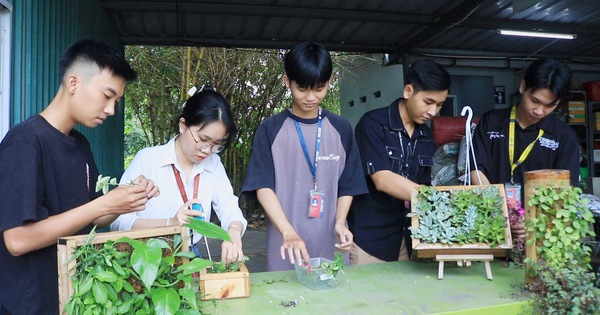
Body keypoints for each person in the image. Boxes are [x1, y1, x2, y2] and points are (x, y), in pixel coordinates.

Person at [0, 39, 159, 314]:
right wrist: (103, 205)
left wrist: (127, 197)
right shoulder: (25, 142)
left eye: (117, 101)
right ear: (74, 83)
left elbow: (95, 214)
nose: (111, 109)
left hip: (73, 298)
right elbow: (17, 240)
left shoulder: (80, 144)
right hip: (32, 304)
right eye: (107, 96)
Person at [242, 42, 367, 271]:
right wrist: (287, 232)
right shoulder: (270, 129)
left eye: (319, 88)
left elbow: (348, 185)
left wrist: (340, 222)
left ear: (329, 83)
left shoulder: (341, 128)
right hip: (285, 244)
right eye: (302, 88)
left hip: (332, 241)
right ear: (287, 81)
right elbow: (262, 185)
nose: (310, 97)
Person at [111, 86, 247, 263]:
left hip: (191, 255)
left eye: (216, 144)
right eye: (203, 140)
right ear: (183, 126)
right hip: (147, 256)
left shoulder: (213, 163)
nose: (207, 150)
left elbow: (229, 207)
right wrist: (170, 224)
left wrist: (234, 233)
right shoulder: (148, 159)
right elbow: (118, 220)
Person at [348, 59, 451, 264]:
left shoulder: (426, 136)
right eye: (428, 102)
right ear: (408, 91)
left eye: (439, 105)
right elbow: (383, 179)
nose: (433, 112)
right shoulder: (373, 125)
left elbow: (423, 183)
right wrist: (443, 201)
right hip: (369, 241)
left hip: (406, 239)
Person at [470, 58, 578, 240]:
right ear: (522, 87)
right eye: (535, 100)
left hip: (540, 231)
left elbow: (565, 189)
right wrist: (501, 213)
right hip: (491, 223)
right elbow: (476, 170)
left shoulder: (564, 136)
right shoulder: (492, 121)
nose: (539, 111)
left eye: (549, 105)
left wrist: (534, 221)